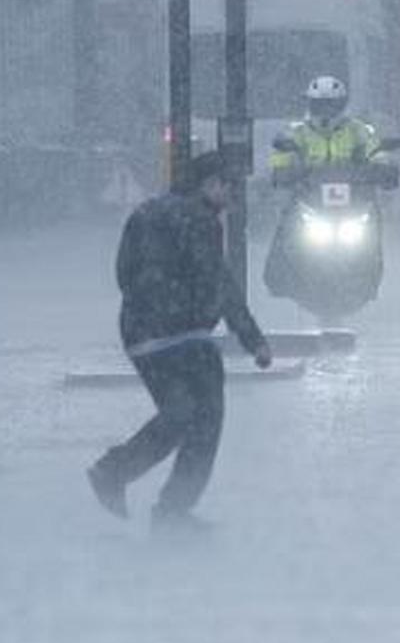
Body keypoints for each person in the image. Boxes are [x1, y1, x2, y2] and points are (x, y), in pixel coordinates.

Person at [87, 152, 273, 533]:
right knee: (205, 420)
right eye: (231, 186)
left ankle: (116, 472)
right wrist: (252, 339)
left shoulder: (147, 212)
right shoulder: (200, 221)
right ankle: (169, 509)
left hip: (141, 335)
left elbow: (123, 272)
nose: (234, 196)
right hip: (185, 336)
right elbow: (220, 285)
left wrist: (145, 306)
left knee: (179, 415)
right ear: (210, 184)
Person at [267, 76, 390, 182]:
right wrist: (282, 171)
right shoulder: (297, 132)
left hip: (357, 196)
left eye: (331, 105)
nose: (325, 111)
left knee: (378, 209)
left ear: (342, 105)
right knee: (285, 208)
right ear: (310, 105)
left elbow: (374, 150)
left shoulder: (357, 129)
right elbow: (281, 157)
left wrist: (383, 168)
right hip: (307, 196)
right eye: (319, 105)